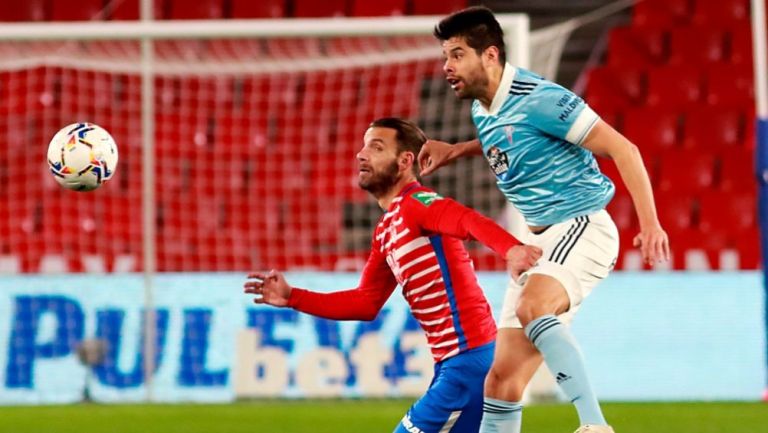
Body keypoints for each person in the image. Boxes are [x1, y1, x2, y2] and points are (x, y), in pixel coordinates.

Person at [419, 7, 670, 433]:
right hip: (540, 243)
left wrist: (651, 224)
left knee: (533, 306)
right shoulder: (484, 108)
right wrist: (459, 150)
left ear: (491, 55)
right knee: (500, 381)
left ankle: (594, 426)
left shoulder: (541, 98)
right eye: (446, 56)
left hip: (582, 225)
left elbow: (625, 150)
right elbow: (512, 140)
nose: (447, 67)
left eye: (457, 55)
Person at [244, 117, 542, 433]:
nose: (361, 154)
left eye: (376, 147)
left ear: (404, 161)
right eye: (363, 146)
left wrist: (511, 249)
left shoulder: (417, 203)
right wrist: (293, 298)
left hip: (467, 362)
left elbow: (465, 219)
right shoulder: (387, 230)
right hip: (455, 364)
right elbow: (366, 302)